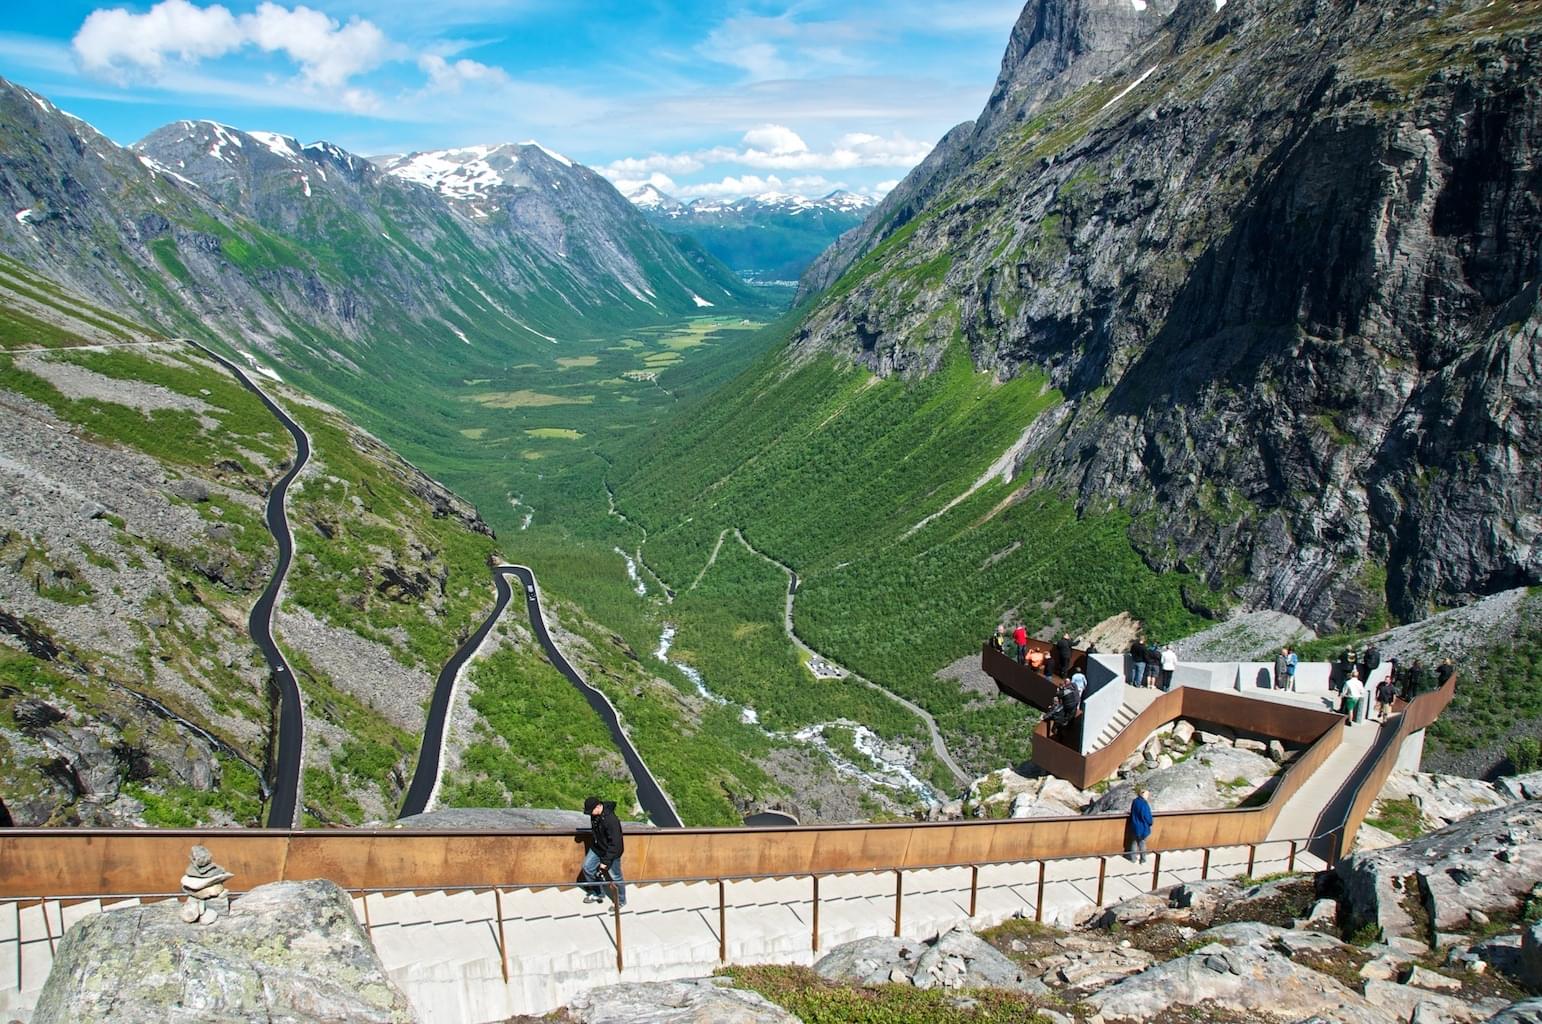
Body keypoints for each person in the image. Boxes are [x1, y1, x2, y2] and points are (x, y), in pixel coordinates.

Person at [580, 796, 627, 907]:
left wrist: (605, 861)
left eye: (591, 811)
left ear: (598, 807)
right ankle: (598, 893)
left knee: (615, 877)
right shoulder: (595, 815)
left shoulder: (611, 820)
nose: (590, 814)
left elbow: (616, 844)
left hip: (612, 852)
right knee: (587, 868)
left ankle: (621, 901)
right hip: (598, 848)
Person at [1127, 788, 1153, 864]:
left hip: (1134, 826)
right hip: (1143, 827)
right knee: (1142, 843)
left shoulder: (1135, 801)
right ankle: (1143, 860)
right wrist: (1150, 822)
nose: (1148, 796)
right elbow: (1147, 817)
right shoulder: (1144, 804)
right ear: (1143, 794)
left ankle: (1133, 859)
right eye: (1147, 794)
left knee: (1134, 843)